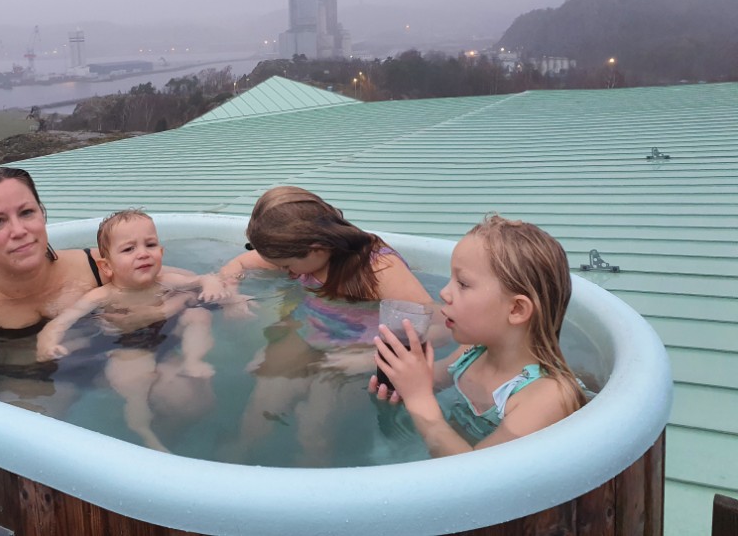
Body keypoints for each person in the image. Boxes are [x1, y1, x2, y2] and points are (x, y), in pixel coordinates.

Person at [217, 185, 437, 464]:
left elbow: (432, 325)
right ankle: (239, 458)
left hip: (361, 349)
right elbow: (237, 265)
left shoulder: (378, 269)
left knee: (314, 426)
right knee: (262, 409)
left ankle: (313, 474)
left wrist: (367, 357)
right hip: (309, 335)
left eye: (287, 266)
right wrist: (232, 296)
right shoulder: (299, 251)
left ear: (317, 249)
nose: (285, 271)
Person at [0, 167, 184, 374]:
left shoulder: (96, 264)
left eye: (26, 213)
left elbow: (193, 284)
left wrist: (154, 313)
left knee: (182, 393)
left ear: (42, 214)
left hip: (115, 362)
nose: (19, 230)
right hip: (27, 379)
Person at [371, 214, 588, 457]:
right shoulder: (471, 354)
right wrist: (399, 386)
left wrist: (419, 401)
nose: (444, 293)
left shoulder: (547, 396)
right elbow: (425, 380)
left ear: (516, 309)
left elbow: (475, 473)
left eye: (463, 284)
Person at [34, 209, 222, 451]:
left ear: (161, 252)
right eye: (128, 249)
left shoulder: (166, 281)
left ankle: (193, 361)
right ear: (107, 266)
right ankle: (143, 430)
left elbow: (202, 280)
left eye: (150, 245)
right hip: (126, 347)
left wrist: (211, 284)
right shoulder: (103, 295)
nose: (143, 253)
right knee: (135, 385)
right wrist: (48, 340)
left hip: (163, 337)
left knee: (198, 315)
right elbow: (63, 320)